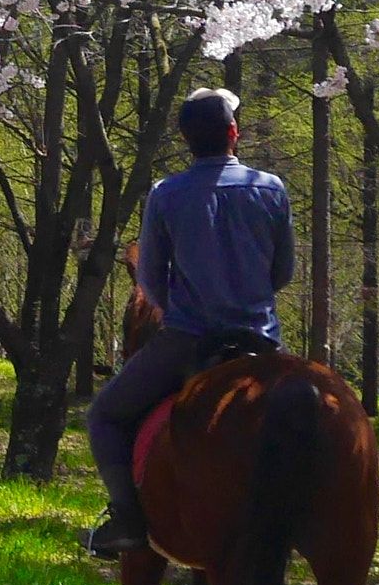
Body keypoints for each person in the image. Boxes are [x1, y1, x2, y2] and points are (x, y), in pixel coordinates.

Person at [81, 87, 294, 558]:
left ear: (186, 140)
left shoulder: (166, 194)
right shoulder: (271, 187)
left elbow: (152, 281)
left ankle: (127, 520)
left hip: (188, 340)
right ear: (233, 134)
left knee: (104, 416)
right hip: (261, 342)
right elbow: (283, 273)